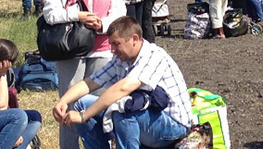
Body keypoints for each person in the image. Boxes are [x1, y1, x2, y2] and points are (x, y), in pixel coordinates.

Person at [53, 16, 192, 149]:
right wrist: (63, 101)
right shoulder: (121, 58)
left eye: (116, 44)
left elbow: (122, 89)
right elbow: (90, 83)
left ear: (134, 39)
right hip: (147, 115)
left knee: (122, 110)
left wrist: (84, 116)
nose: (112, 50)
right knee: (81, 103)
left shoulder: (154, 55)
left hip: (174, 125)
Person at [43, 0, 126, 149]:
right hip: (71, 50)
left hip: (102, 50)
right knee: (69, 105)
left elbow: (119, 12)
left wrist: (102, 23)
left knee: (98, 105)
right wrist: (77, 16)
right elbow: (50, 13)